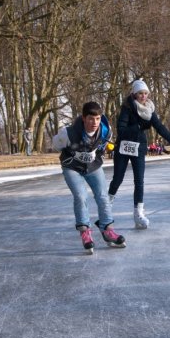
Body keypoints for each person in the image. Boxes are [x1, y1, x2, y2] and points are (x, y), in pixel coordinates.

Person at [52, 101, 125, 254]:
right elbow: (56, 146)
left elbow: (103, 147)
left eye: (98, 118)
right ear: (84, 118)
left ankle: (108, 230)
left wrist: (95, 154)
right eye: (91, 119)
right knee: (81, 196)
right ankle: (85, 231)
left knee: (103, 196)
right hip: (72, 167)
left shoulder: (106, 131)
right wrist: (74, 152)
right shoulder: (68, 133)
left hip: (93, 167)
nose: (95, 123)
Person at [108, 79, 170, 229]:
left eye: (145, 93)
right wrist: (139, 126)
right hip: (123, 147)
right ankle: (106, 207)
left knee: (139, 181)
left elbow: (159, 126)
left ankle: (138, 214)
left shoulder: (149, 109)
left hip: (139, 147)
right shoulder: (127, 108)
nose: (143, 96)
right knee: (118, 178)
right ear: (134, 94)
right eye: (140, 93)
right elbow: (121, 130)